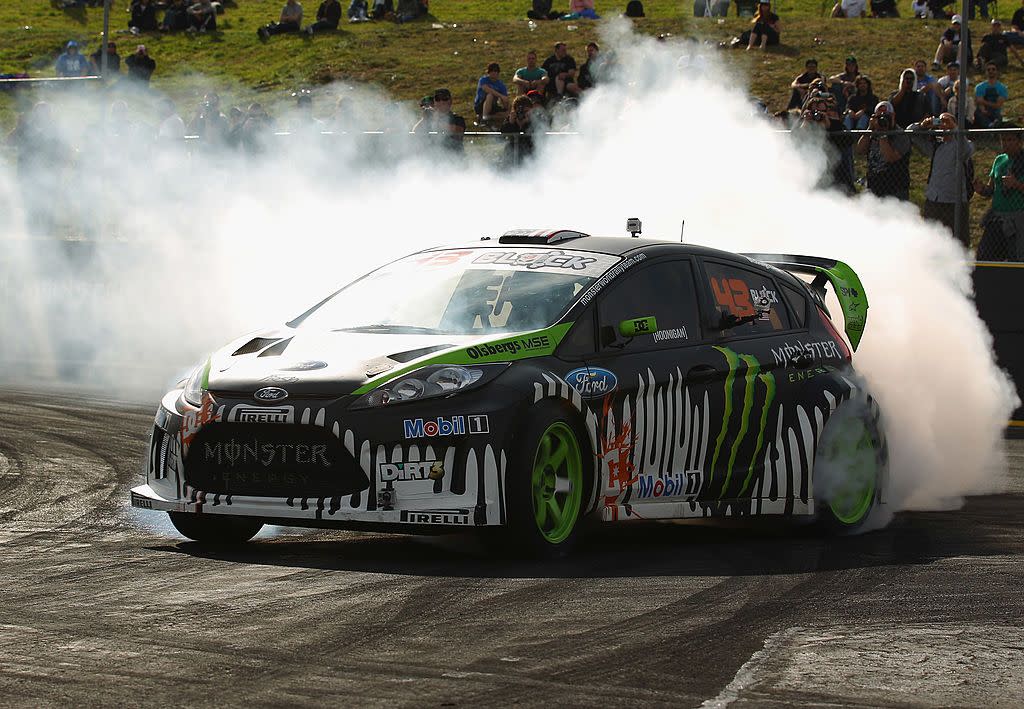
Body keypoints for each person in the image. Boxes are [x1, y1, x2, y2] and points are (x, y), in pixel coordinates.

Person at [909, 112, 975, 245]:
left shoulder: (964, 144)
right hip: (934, 200)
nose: (944, 125)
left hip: (954, 202)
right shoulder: (936, 146)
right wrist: (923, 126)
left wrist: (955, 129)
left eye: (947, 121)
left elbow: (966, 150)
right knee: (931, 240)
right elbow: (910, 133)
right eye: (941, 122)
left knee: (958, 242)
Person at [976, 124, 1024, 259]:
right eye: (1003, 140)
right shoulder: (999, 160)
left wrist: (1016, 184)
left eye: (1010, 140)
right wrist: (982, 190)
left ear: (1019, 142)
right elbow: (991, 189)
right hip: (997, 218)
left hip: (1018, 218)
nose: (1006, 143)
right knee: (984, 256)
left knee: (1016, 258)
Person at [855, 100, 911, 200]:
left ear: (893, 115)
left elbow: (890, 157)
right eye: (879, 115)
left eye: (886, 115)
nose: (882, 118)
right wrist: (870, 128)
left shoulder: (900, 134)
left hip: (895, 188)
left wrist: (883, 134)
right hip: (873, 185)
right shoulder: (872, 132)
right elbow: (859, 150)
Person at [412, 87, 465, 153]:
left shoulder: (458, 118)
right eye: (438, 99)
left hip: (454, 158)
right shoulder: (430, 119)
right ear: (434, 102)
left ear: (450, 101)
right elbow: (414, 133)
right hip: (434, 158)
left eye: (444, 99)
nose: (441, 102)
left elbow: (456, 130)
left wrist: (435, 119)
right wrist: (424, 119)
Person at [500, 95, 536, 167]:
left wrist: (529, 122)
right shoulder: (511, 119)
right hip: (512, 152)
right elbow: (502, 134)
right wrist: (511, 123)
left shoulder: (535, 119)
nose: (523, 113)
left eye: (526, 111)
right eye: (520, 111)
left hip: (530, 151)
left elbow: (541, 131)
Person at [975, 61, 1009, 128]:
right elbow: (979, 103)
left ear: (997, 71)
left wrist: (984, 102)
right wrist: (983, 109)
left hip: (995, 113)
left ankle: (992, 127)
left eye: (993, 69)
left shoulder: (1002, 88)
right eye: (988, 69)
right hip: (983, 112)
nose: (991, 71)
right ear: (985, 72)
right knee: (978, 114)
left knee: (998, 116)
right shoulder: (979, 87)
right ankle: (990, 126)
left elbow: (998, 105)